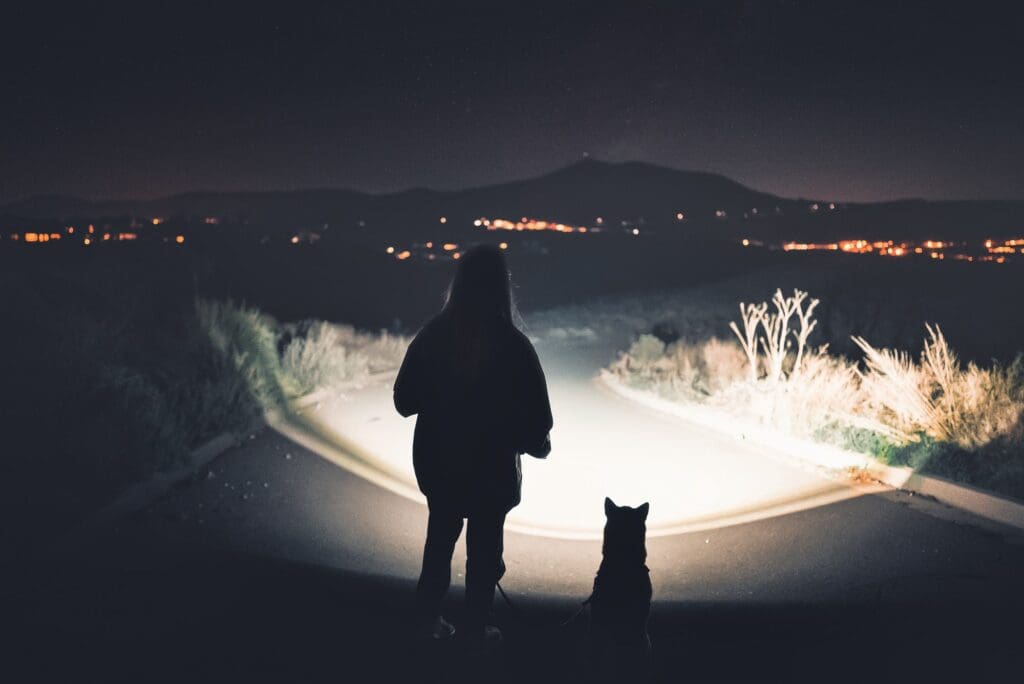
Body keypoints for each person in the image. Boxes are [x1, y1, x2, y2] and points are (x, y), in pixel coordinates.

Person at [394, 244, 553, 648]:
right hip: (492, 475)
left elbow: (403, 401)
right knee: (484, 556)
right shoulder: (516, 347)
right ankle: (475, 632)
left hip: (441, 468)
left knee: (439, 545)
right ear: (502, 288)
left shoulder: (433, 336)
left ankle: (424, 622)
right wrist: (534, 444)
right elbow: (540, 424)